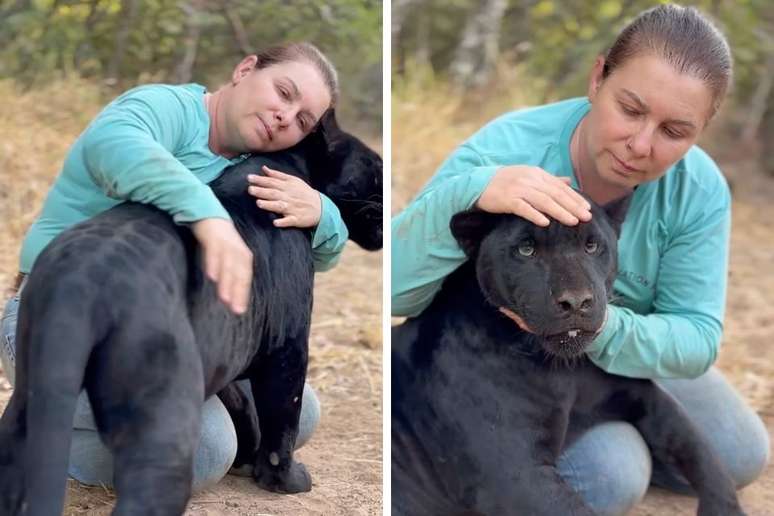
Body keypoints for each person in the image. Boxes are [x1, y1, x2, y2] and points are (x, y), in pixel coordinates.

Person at [392, 4, 768, 515]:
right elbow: (394, 291)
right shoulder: (504, 149)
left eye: (674, 131)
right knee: (613, 472)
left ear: (701, 129)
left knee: (741, 450)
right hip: (503, 357)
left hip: (620, 342)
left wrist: (599, 326)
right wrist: (472, 191)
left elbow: (697, 337)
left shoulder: (696, 189)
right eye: (630, 109)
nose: (640, 145)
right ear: (597, 79)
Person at [0, 42, 345, 490]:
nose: (285, 116)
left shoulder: (255, 167)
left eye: (303, 120)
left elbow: (316, 257)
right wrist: (208, 217)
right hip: (56, 322)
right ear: (245, 70)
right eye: (284, 92)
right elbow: (113, 143)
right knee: (206, 448)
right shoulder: (168, 108)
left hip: (166, 340)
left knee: (300, 415)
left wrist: (321, 211)